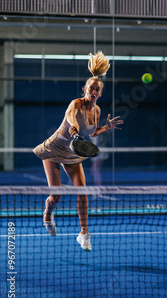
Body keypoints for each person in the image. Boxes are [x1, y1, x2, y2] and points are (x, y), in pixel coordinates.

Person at [33, 51, 123, 252]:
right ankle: (47, 215)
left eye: (97, 90)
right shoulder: (76, 104)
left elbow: (91, 133)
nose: (93, 92)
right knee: (56, 195)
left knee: (82, 192)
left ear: (100, 93)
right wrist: (73, 129)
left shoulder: (97, 110)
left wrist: (105, 128)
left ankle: (84, 234)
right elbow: (73, 120)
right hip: (54, 149)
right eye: (91, 88)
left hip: (73, 153)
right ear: (85, 89)